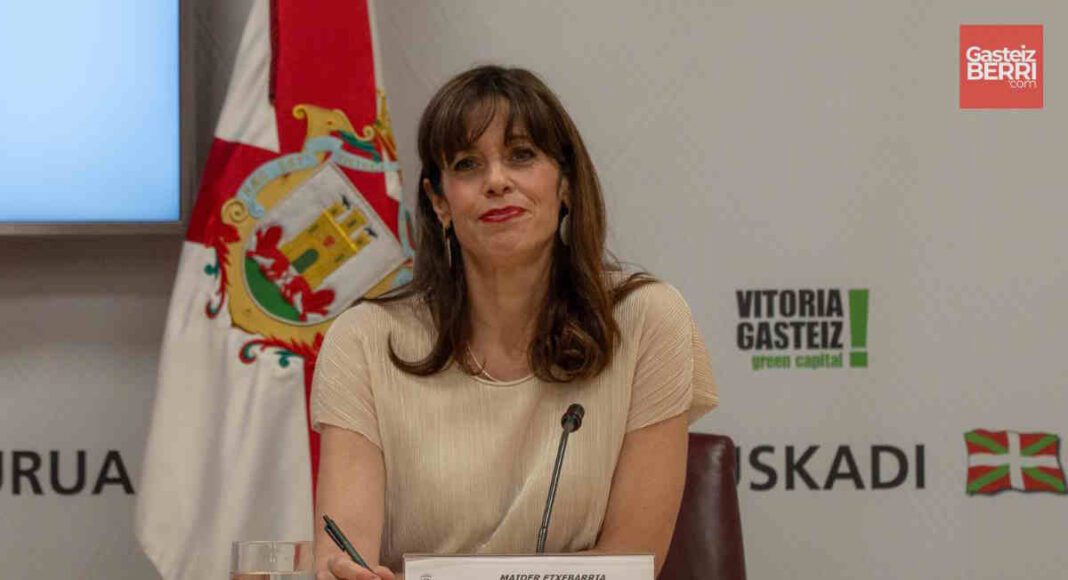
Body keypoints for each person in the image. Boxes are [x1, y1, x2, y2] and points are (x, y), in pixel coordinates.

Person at [310, 65, 717, 580]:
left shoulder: (646, 321)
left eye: (521, 156)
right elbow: (344, 558)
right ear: (440, 203)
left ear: (565, 184)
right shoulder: (365, 341)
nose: (497, 181)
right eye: (467, 165)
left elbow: (632, 562)